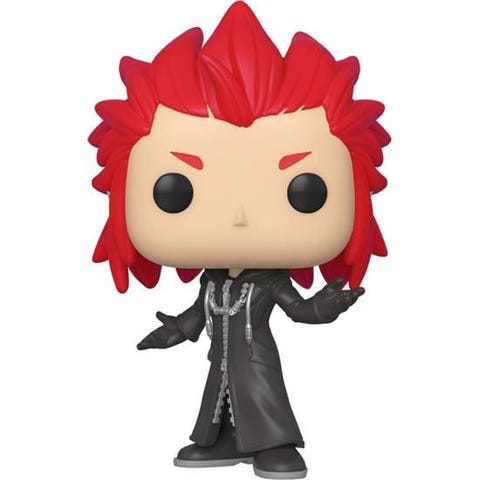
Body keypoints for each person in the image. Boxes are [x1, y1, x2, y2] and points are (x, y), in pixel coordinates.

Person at [89, 2, 389, 478]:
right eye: (176, 191)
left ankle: (274, 444)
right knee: (220, 397)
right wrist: (174, 330)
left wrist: (327, 304)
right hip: (222, 358)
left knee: (263, 396)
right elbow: (198, 314)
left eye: (304, 191)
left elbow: (300, 310)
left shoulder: (268, 282)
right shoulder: (213, 283)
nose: (240, 218)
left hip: (257, 358)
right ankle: (222, 440)